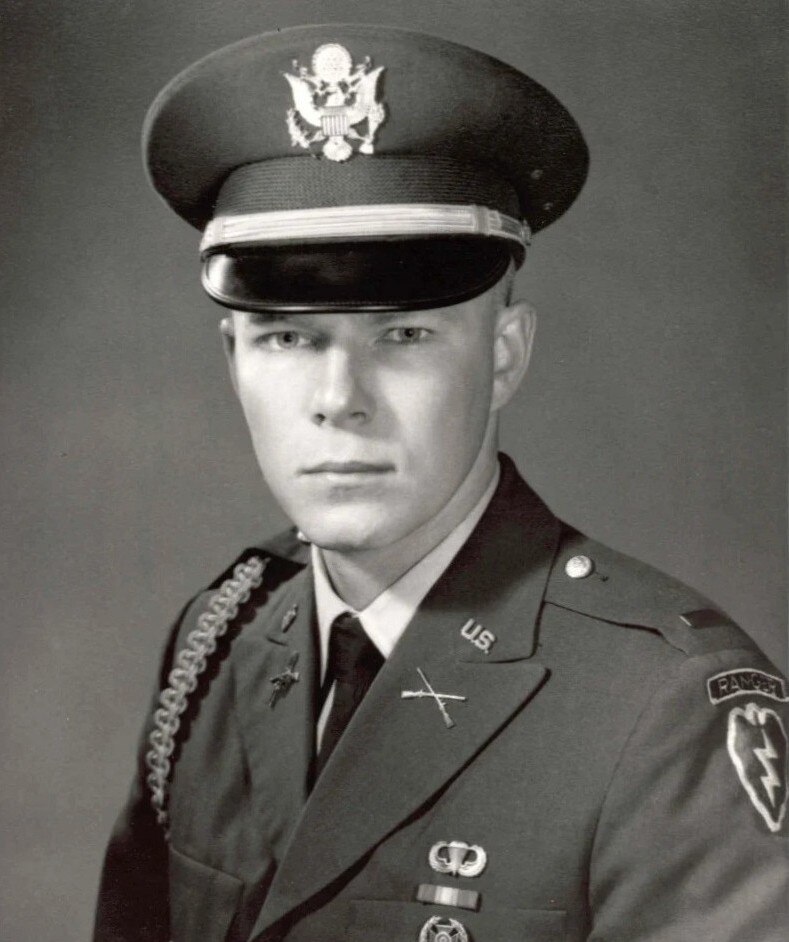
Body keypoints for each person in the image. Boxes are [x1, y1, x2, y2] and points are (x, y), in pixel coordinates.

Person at [94, 23, 788, 942]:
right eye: (288, 337)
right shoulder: (222, 640)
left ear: (503, 357)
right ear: (234, 360)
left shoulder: (663, 707)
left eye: (404, 336)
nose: (338, 400)